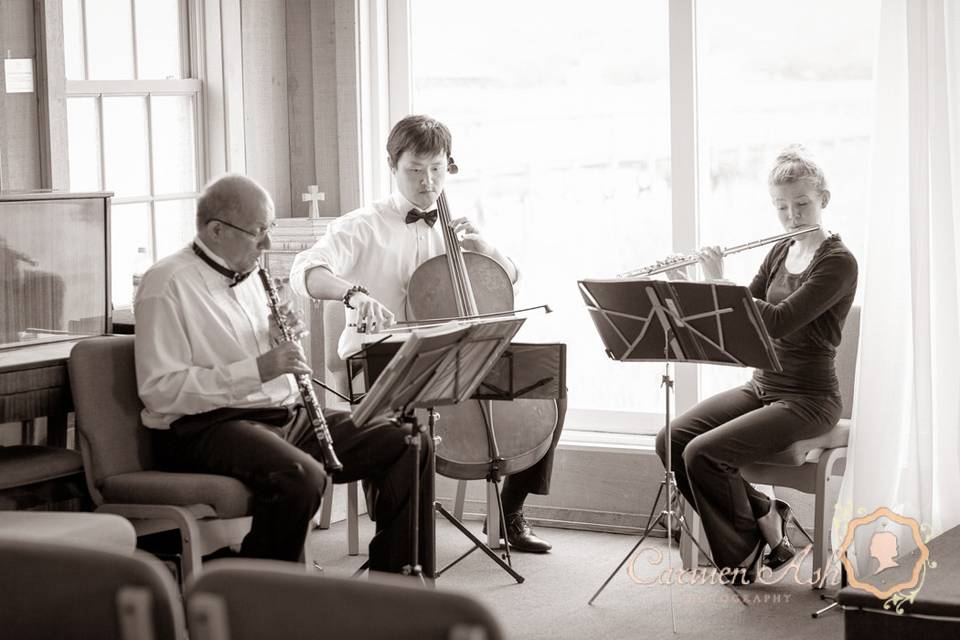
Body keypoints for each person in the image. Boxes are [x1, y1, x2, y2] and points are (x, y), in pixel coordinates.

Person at [289, 114, 564, 553]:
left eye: (436, 169)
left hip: (452, 357)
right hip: (381, 361)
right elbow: (305, 270)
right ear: (392, 166)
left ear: (448, 166)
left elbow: (509, 279)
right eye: (415, 170)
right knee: (394, 429)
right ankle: (396, 534)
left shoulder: (456, 230)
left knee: (550, 378)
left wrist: (485, 250)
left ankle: (512, 510)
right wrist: (353, 295)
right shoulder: (362, 226)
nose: (427, 181)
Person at [134, 174, 433, 575]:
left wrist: (274, 338)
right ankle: (257, 595)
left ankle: (394, 583)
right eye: (258, 233)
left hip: (280, 416)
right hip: (204, 427)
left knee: (409, 441)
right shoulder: (166, 284)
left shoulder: (251, 273)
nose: (268, 245)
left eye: (269, 230)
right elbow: (160, 392)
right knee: (301, 476)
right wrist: (260, 367)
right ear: (216, 230)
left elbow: (257, 355)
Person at [655, 145, 858, 581]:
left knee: (702, 453)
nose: (792, 216)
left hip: (809, 399)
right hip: (763, 386)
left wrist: (718, 280)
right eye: (781, 207)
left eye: (802, 204)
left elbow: (779, 322)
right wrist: (687, 284)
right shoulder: (780, 251)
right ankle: (766, 515)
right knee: (670, 441)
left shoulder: (839, 263)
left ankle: (742, 555)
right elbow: (740, 319)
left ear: (824, 198)